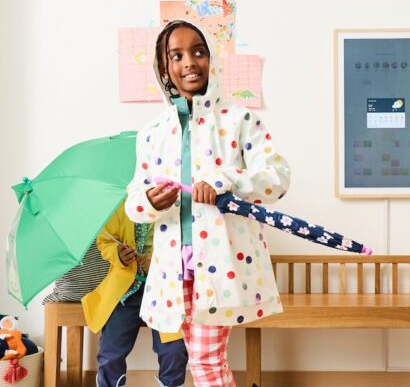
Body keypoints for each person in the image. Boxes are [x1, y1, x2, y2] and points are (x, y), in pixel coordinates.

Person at [124, 19, 291, 386]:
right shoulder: (151, 134)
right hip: (173, 266)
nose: (189, 62)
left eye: (198, 52)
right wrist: (150, 201)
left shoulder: (238, 119)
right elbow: (133, 204)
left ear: (211, 59)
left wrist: (224, 180)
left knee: (206, 360)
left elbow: (277, 178)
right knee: (202, 359)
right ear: (163, 68)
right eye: (177, 55)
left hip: (220, 260)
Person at [81, 202, 188, 387]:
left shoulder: (177, 206)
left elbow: (189, 247)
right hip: (126, 292)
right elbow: (105, 242)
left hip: (165, 289)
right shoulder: (119, 205)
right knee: (111, 350)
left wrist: (159, 262)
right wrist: (118, 254)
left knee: (174, 350)